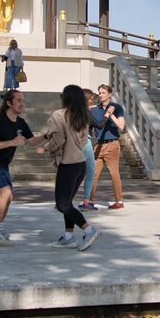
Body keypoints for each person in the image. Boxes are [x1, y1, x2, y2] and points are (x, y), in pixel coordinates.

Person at [0, 89, 46, 246]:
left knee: (9, 197)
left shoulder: (20, 122)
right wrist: (12, 142)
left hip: (2, 164)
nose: (23, 103)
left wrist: (48, 135)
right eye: (19, 100)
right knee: (5, 193)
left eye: (23, 100)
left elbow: (33, 141)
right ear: (9, 103)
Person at [44, 85, 102, 251]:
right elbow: (84, 141)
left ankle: (89, 230)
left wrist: (45, 147)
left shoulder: (59, 115)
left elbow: (58, 140)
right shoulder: (83, 116)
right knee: (67, 203)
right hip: (80, 163)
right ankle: (68, 236)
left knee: (62, 204)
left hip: (68, 165)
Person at [89, 84, 126, 209]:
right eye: (99, 93)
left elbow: (121, 127)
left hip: (112, 144)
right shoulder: (94, 109)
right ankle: (89, 201)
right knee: (92, 174)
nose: (100, 95)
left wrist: (110, 114)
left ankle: (119, 201)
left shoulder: (117, 107)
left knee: (114, 174)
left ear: (109, 94)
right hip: (98, 145)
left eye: (103, 92)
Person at [78, 89, 99, 212]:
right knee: (90, 171)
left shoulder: (74, 112)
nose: (93, 100)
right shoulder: (87, 113)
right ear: (86, 99)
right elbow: (99, 125)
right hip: (86, 142)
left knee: (73, 172)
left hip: (74, 143)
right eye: (91, 98)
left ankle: (64, 200)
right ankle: (86, 202)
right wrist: (107, 115)